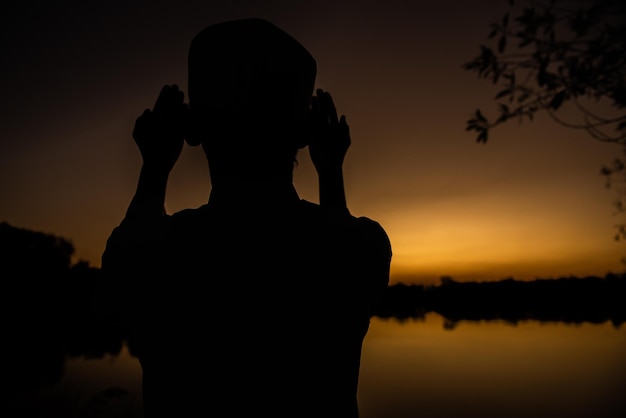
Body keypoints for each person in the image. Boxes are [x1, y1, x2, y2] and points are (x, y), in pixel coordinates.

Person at [99, 18, 391, 418]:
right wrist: (331, 175)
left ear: (191, 129)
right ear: (306, 134)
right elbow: (337, 238)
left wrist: (153, 169)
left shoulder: (154, 254)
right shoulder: (359, 249)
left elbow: (130, 248)